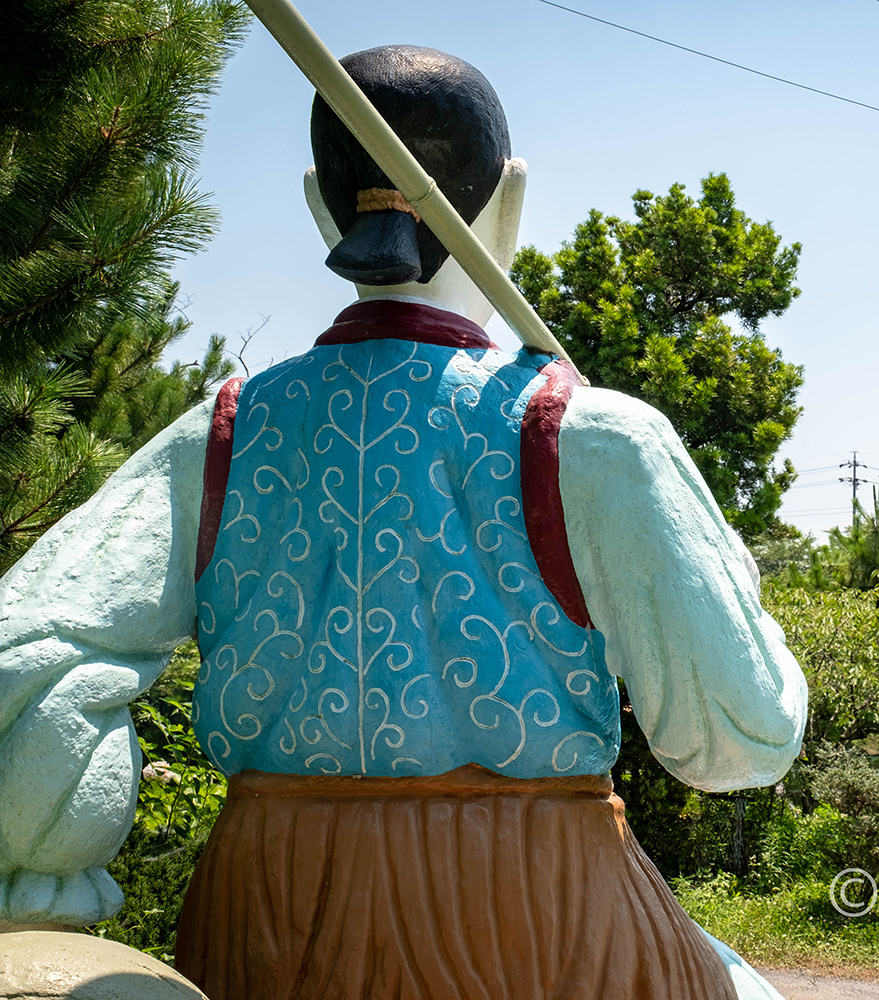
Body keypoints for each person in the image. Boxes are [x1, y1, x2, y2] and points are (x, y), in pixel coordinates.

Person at [0, 45, 805, 1000]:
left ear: (321, 208)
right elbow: (736, 744)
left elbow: (32, 649)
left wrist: (52, 862)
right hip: (541, 916)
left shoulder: (216, 435)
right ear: (506, 207)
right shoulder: (593, 435)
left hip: (270, 915)